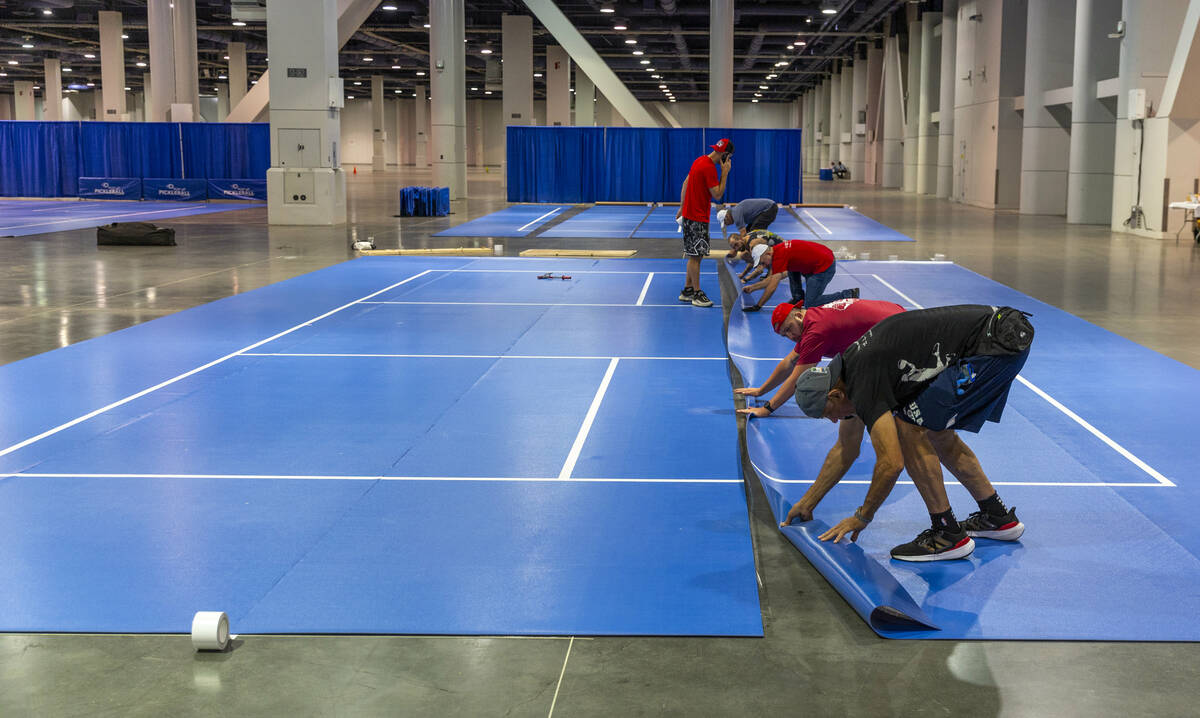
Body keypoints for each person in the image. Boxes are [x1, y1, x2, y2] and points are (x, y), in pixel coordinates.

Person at [784, 304, 1035, 562]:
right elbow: (845, 448)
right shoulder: (846, 374)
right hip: (1000, 334)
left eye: (829, 413)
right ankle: (996, 515)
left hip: (996, 342)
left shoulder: (861, 382)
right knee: (935, 431)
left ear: (835, 394)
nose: (835, 420)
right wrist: (808, 502)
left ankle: (947, 533)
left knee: (910, 428)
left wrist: (862, 517)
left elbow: (891, 464)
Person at [735, 298, 905, 419]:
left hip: (896, 331)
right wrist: (761, 390)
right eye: (784, 335)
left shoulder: (816, 331)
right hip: (894, 314)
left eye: (788, 329)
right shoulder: (813, 317)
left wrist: (767, 409)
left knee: (863, 386)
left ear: (798, 316)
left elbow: (798, 379)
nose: (790, 336)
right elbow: (790, 361)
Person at [675, 138, 733, 308]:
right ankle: (697, 293)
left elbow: (686, 182)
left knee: (694, 255)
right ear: (726, 155)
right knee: (696, 257)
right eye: (728, 158)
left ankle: (687, 290)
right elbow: (718, 194)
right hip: (697, 217)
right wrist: (725, 173)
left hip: (690, 214)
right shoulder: (709, 169)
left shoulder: (699, 160)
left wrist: (681, 207)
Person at [742, 239, 859, 311]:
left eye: (762, 261)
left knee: (811, 304)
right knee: (792, 269)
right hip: (819, 258)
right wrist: (753, 288)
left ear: (768, 253)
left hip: (824, 267)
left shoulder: (778, 257)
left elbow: (772, 286)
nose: (763, 265)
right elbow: (773, 279)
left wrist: (758, 306)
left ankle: (848, 294)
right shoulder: (778, 250)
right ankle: (798, 297)